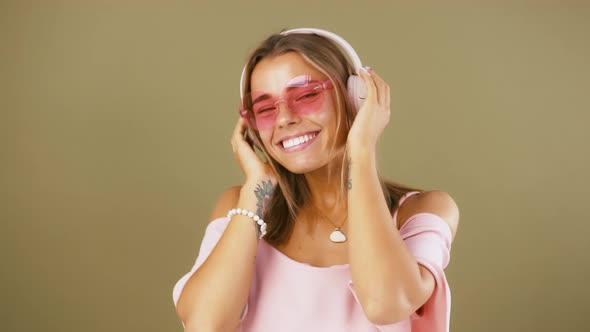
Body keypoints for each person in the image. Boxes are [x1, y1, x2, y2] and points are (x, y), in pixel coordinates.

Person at [172, 28, 460, 332]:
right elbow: (204, 325)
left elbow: (384, 304)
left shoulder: (423, 211)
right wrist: (256, 189)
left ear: (355, 97)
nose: (284, 118)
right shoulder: (240, 208)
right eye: (266, 108)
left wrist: (361, 151)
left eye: (306, 95)